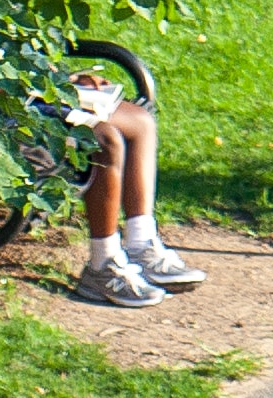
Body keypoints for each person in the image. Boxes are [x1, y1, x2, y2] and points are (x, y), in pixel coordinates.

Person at [68, 70, 203, 311]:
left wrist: (71, 80)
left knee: (140, 122)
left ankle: (140, 244)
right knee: (104, 139)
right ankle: (102, 266)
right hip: (10, 110)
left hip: (42, 96)